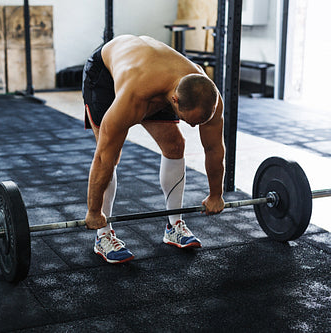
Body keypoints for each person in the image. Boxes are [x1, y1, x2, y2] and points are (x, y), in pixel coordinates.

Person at [82, 34, 225, 264]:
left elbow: (214, 148)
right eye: (188, 121)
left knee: (175, 145)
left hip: (156, 75)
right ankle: (103, 234)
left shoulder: (209, 96)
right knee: (112, 152)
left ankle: (174, 226)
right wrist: (93, 211)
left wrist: (216, 194)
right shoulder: (133, 97)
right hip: (106, 75)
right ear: (175, 101)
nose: (193, 126)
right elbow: (103, 158)